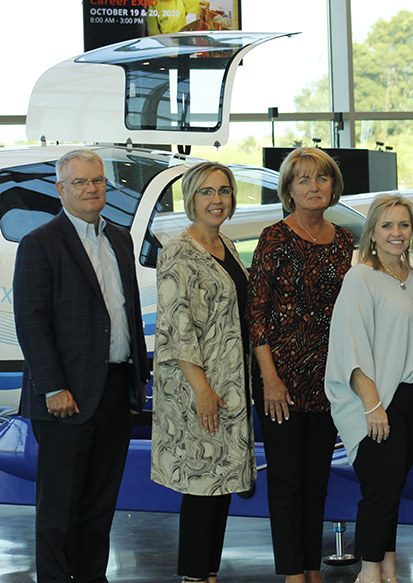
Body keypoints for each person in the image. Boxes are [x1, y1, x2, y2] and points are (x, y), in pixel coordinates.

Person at [13, 149, 150, 582]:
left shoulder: (121, 239)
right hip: (65, 398)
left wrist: (137, 382)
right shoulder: (40, 243)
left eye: (97, 181)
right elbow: (31, 322)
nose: (91, 189)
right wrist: (53, 387)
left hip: (113, 390)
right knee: (58, 511)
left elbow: (126, 314)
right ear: (61, 189)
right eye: (80, 183)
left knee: (99, 504)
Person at [248, 147, 354, 583]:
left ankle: (312, 567)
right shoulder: (274, 237)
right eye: (304, 180)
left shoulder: (346, 241)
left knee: (316, 484)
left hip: (328, 383)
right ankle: (293, 573)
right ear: (289, 190)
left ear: (333, 187)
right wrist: (269, 379)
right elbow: (255, 315)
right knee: (288, 484)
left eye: (322, 179)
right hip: (281, 382)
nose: (314, 187)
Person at [151, 162, 256, 583]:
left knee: (221, 483)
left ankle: (209, 572)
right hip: (200, 386)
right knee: (200, 484)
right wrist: (203, 390)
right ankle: (195, 575)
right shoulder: (179, 250)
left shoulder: (225, 244)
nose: (217, 200)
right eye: (207, 192)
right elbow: (179, 330)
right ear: (190, 199)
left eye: (224, 191)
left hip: (229, 384)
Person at [325, 193, 413, 583]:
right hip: (376, 400)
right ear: (372, 232)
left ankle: (387, 569)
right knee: (380, 491)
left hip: (412, 397)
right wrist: (373, 405)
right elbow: (349, 347)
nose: (396, 233)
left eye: (403, 225)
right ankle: (369, 572)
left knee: (393, 488)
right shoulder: (360, 277)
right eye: (387, 225)